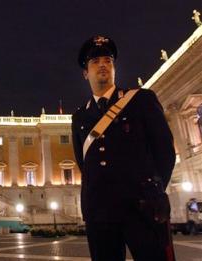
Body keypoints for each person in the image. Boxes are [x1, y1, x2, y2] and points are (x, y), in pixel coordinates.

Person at [72, 36, 176, 261]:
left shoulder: (141, 100)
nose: (102, 64)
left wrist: (153, 191)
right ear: (85, 72)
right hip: (99, 213)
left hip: (141, 207)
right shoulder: (80, 116)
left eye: (108, 60)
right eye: (95, 61)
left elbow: (164, 150)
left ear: (114, 68)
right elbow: (84, 164)